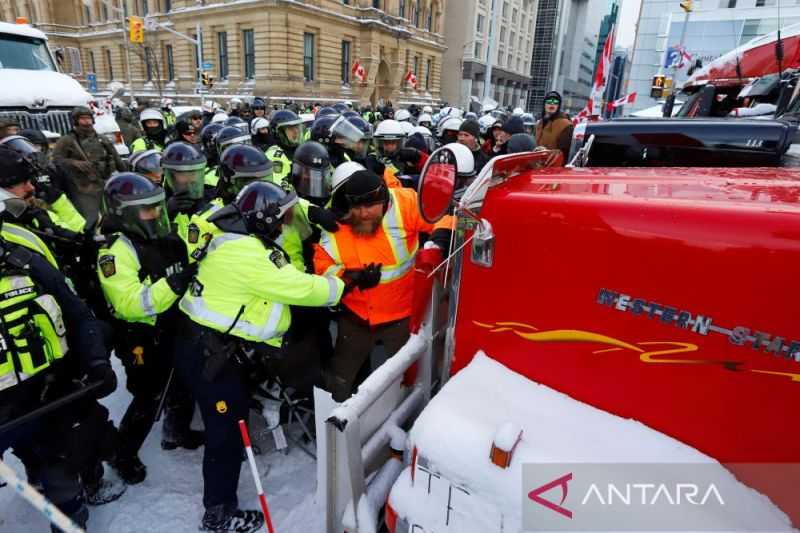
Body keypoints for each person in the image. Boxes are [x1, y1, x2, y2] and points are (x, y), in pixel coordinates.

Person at [175, 181, 344, 532]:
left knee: (229, 422)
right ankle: (218, 512)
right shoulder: (246, 255)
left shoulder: (235, 238)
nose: (284, 225)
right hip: (210, 356)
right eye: (280, 218)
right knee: (225, 433)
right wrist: (343, 283)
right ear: (264, 218)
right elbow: (301, 289)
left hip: (210, 347)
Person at [0, 147, 118, 531]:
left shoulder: (21, 240)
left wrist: (96, 360)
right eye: (22, 182)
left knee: (62, 466)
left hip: (47, 385)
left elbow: (72, 307)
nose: (31, 188)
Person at [97, 173, 201, 485]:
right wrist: (173, 284)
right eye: (147, 210)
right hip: (141, 337)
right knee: (148, 396)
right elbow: (130, 303)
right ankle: (122, 454)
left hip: (173, 324)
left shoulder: (162, 237)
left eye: (158, 207)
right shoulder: (116, 253)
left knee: (182, 380)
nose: (156, 215)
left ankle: (176, 431)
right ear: (125, 214)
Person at [314, 169, 433, 401]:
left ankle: (410, 421)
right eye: (357, 207)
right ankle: (334, 422)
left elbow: (443, 217)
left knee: (408, 379)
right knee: (340, 379)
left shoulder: (406, 203)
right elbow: (322, 266)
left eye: (370, 206)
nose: (363, 213)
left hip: (401, 318)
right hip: (355, 319)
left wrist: (440, 239)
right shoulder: (334, 223)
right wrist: (351, 279)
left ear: (384, 198)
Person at [52, 106, 126, 224]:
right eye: (82, 119)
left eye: (88, 118)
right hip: (83, 188)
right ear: (76, 121)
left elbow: (117, 159)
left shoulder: (102, 139)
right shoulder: (67, 140)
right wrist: (74, 163)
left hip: (105, 184)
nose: (87, 122)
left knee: (113, 217)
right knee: (90, 220)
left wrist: (127, 176)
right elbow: (56, 160)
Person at [265, 109, 305, 189]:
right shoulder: (275, 156)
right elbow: (280, 188)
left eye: (297, 127)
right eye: (290, 128)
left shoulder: (298, 150)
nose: (296, 132)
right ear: (278, 133)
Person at [534, 91, 574, 160]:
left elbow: (565, 154)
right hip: (538, 165)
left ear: (559, 106)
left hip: (554, 168)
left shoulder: (566, 125)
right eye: (549, 101)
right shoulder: (539, 123)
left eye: (556, 102)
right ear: (544, 104)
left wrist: (547, 152)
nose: (552, 104)